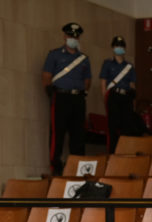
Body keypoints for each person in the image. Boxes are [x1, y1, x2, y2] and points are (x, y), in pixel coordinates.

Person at [42, 22, 92, 176]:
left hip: (78, 99)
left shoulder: (83, 59)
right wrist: (51, 92)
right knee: (58, 133)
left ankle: (78, 168)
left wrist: (80, 92)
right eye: (71, 36)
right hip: (61, 97)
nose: (73, 39)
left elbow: (87, 80)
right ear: (65, 36)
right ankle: (56, 168)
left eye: (76, 37)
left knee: (78, 135)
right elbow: (46, 76)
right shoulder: (54, 55)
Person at [99, 36, 139, 153]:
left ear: (124, 48)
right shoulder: (107, 63)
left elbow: (132, 85)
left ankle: (125, 153)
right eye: (117, 45)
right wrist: (105, 99)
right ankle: (112, 154)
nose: (119, 48)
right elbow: (103, 83)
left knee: (127, 126)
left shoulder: (129, 66)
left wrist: (133, 102)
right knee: (113, 127)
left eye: (121, 46)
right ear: (113, 47)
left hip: (126, 97)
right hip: (113, 96)